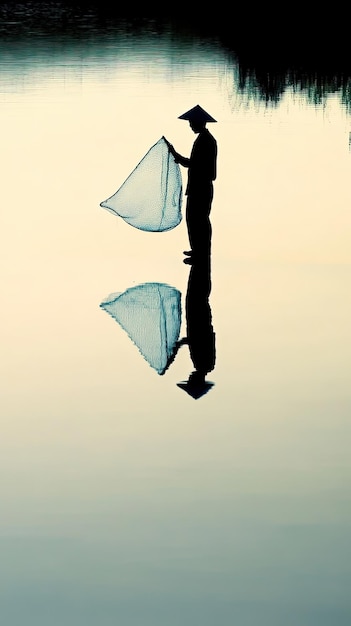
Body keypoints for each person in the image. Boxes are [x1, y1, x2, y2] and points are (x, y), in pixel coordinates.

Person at [165, 105, 217, 263]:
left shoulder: (206, 141)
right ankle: (198, 251)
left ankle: (201, 254)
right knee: (196, 220)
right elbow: (193, 163)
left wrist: (176, 155)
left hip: (201, 188)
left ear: (199, 123)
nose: (190, 125)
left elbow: (194, 164)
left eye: (191, 122)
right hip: (199, 187)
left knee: (198, 220)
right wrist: (177, 156)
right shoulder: (204, 139)